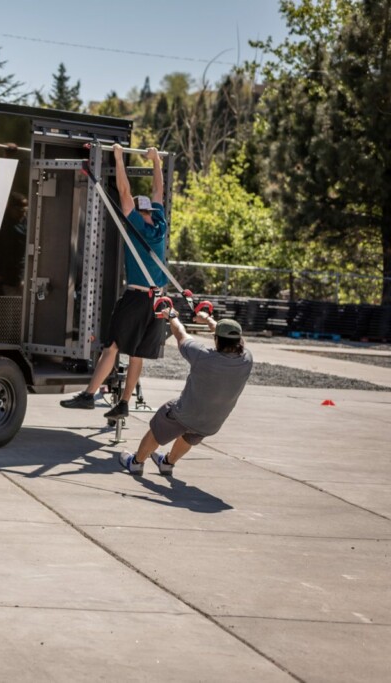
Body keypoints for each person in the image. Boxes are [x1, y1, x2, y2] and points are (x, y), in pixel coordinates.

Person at [61, 143, 167, 419]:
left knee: (113, 347)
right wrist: (156, 161)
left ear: (140, 212)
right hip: (159, 301)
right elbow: (159, 190)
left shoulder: (135, 226)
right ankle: (124, 403)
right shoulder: (160, 227)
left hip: (136, 297)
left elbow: (124, 191)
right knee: (137, 354)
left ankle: (88, 394)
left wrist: (118, 157)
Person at [118, 312, 253, 476]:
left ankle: (136, 463)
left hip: (185, 413)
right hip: (212, 422)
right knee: (191, 435)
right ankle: (167, 464)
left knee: (160, 424)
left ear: (216, 339)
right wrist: (208, 320)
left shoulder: (202, 356)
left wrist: (171, 315)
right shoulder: (247, 358)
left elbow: (180, 334)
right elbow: (229, 337)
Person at [0, 191, 29, 296]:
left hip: (16, 277)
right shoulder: (3, 226)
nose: (22, 214)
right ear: (11, 209)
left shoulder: (23, 224)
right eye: (20, 211)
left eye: (24, 212)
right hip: (5, 278)